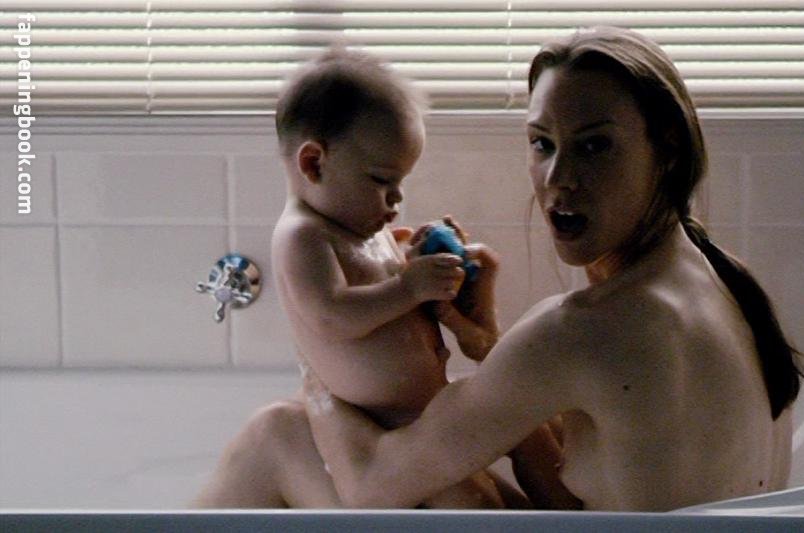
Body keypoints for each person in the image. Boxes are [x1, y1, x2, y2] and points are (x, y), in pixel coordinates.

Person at [203, 26, 804, 511]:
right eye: (542, 143)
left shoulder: (580, 329)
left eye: (595, 145)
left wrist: (316, 373)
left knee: (277, 434)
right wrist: (489, 345)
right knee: (450, 479)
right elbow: (592, 486)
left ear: (666, 147)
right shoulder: (724, 281)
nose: (559, 178)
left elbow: (369, 489)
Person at [191, 46, 566, 509]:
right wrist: (408, 287)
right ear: (314, 164)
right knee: (471, 507)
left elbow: (388, 301)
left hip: (418, 421)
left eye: (400, 183)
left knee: (503, 492)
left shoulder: (364, 230)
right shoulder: (303, 236)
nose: (395, 199)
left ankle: (571, 520)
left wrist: (418, 264)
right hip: (378, 426)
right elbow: (332, 315)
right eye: (381, 181)